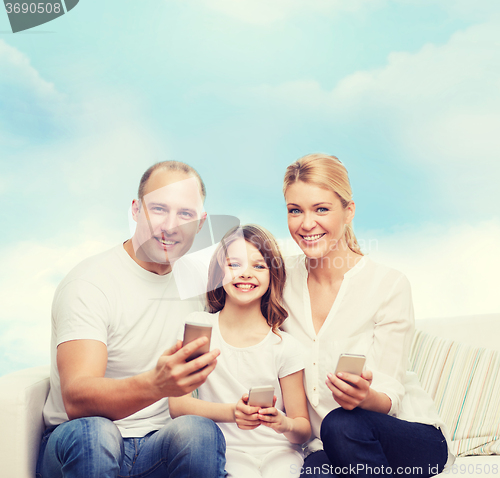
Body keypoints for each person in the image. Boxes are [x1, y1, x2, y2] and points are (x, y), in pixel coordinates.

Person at [36, 161, 226, 478]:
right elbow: (77, 399)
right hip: (80, 445)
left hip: (155, 447)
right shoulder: (90, 283)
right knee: (96, 434)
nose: (171, 225)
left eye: (185, 214)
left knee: (198, 431)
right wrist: (155, 384)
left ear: (200, 222)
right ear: (136, 210)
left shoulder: (198, 283)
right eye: (159, 209)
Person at [281, 153, 454, 478]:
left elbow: (390, 393)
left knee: (341, 424)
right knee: (315, 471)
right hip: (328, 447)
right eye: (295, 210)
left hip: (408, 435)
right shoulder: (280, 280)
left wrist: (366, 396)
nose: (306, 224)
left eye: (321, 209)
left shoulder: (388, 284)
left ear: (349, 211)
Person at [169, 224, 311, 478]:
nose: (246, 274)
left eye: (258, 266)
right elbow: (178, 405)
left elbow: (302, 428)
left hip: (280, 451)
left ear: (273, 275)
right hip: (227, 451)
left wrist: (283, 422)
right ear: (218, 272)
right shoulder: (200, 328)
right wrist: (232, 413)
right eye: (235, 264)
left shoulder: (286, 346)